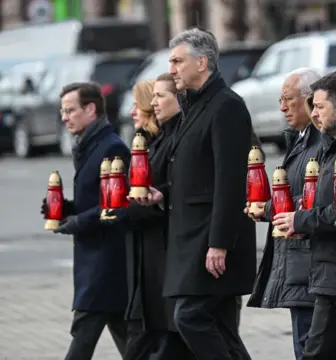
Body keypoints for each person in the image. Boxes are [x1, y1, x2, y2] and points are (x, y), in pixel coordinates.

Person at [132, 28, 255, 360]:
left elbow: (230, 180)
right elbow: (193, 175)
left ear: (202, 62)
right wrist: (163, 194)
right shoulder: (193, 106)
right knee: (219, 325)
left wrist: (220, 243)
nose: (171, 69)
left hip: (208, 238)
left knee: (190, 316)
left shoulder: (226, 106)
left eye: (177, 61)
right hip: (189, 235)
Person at [272, 71, 336, 359]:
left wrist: (300, 220)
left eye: (319, 107)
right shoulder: (333, 146)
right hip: (329, 274)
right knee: (316, 352)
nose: (313, 114)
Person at [100, 75, 194, 359]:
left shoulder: (165, 144)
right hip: (145, 265)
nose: (132, 112)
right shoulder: (148, 144)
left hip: (162, 262)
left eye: (138, 105)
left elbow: (169, 194)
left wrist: (127, 210)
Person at [40, 82, 129, 360]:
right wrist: (64, 209)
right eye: (62, 111)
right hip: (97, 263)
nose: (64, 117)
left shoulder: (111, 148)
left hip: (105, 263)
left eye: (70, 111)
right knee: (132, 344)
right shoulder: (89, 145)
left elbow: (118, 204)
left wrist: (79, 221)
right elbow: (95, 200)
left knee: (83, 339)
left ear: (90, 109)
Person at [246, 67, 323, 360]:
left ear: (310, 99)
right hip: (297, 262)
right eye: (280, 99)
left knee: (310, 346)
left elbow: (310, 200)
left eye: (288, 99)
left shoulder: (319, 142)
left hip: (309, 264)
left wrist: (267, 208)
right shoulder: (301, 139)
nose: (282, 107)